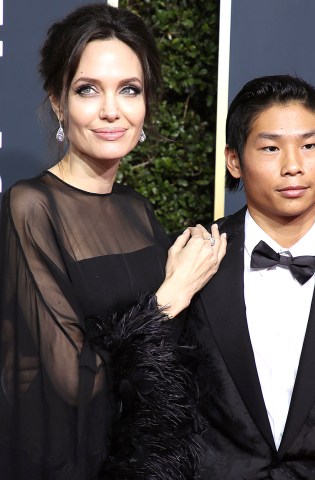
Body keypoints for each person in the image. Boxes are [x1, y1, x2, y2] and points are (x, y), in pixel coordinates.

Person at [0, 4, 227, 480]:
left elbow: (175, 350)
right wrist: (169, 299)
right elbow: (71, 381)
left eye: (129, 89)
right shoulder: (30, 207)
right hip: (69, 464)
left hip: (140, 461)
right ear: (59, 103)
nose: (111, 110)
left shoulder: (136, 209)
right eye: (88, 90)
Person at [182, 74, 315, 479]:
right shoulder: (193, 260)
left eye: (309, 146)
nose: (293, 166)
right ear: (234, 159)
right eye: (271, 148)